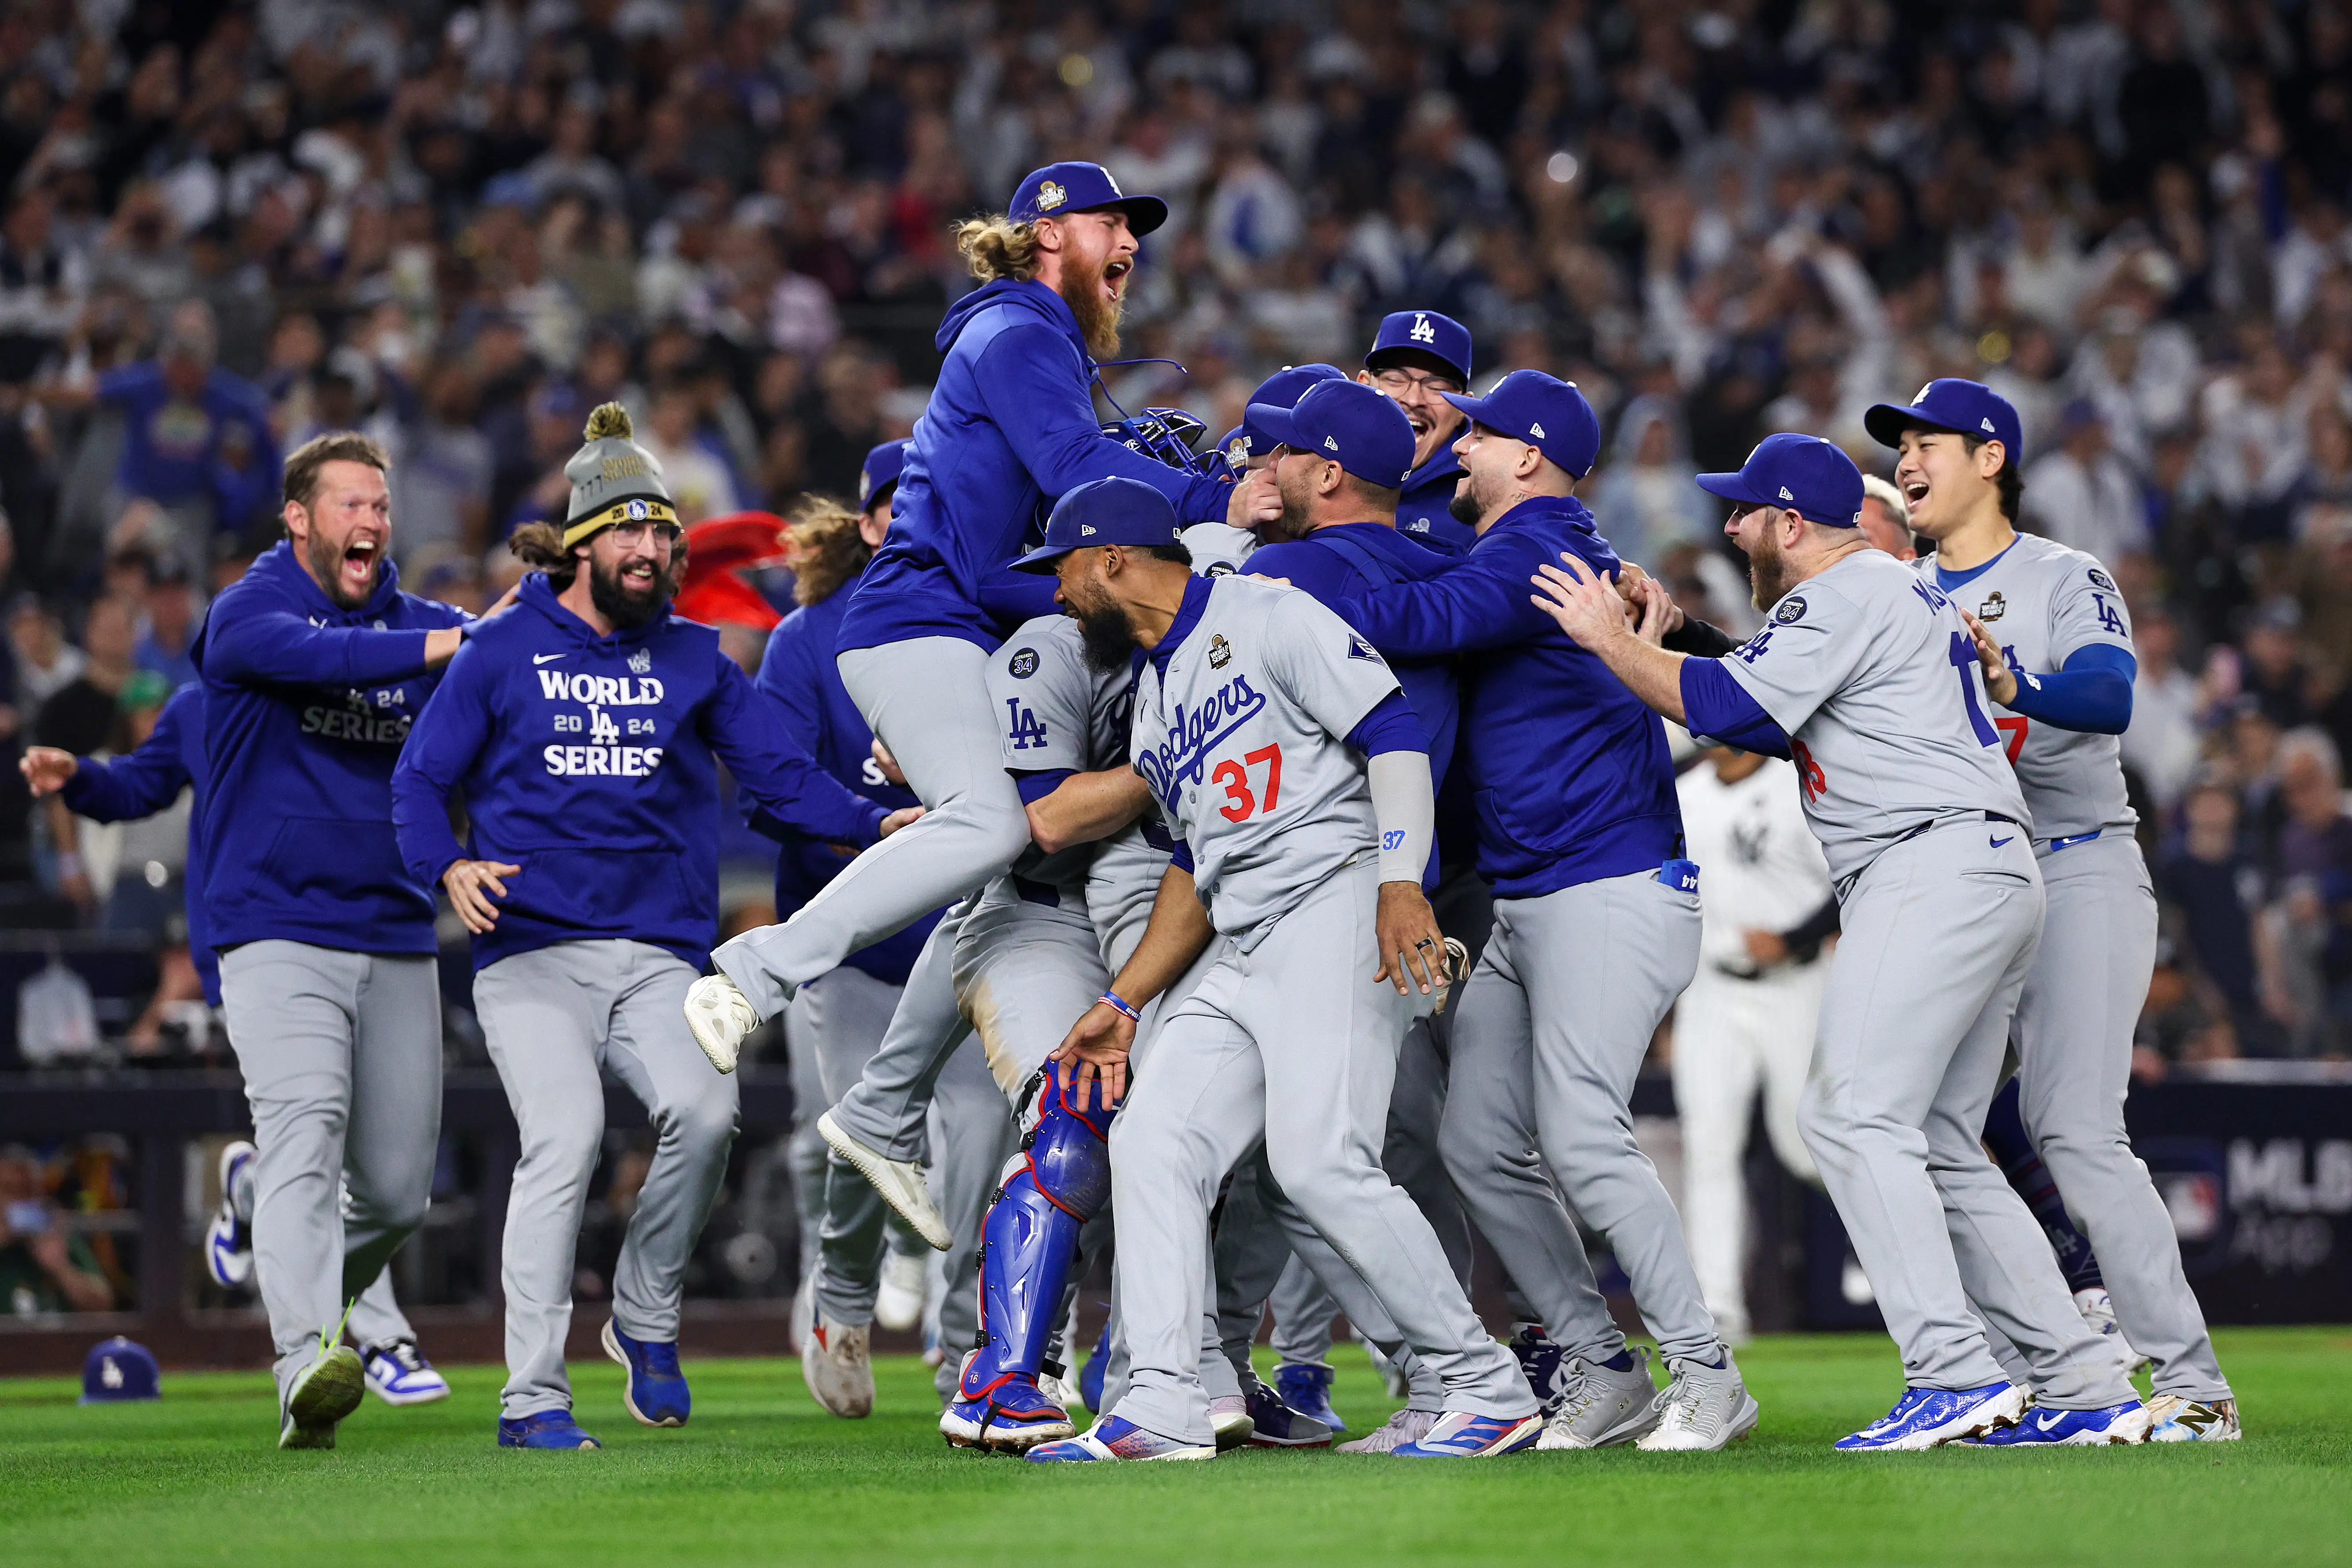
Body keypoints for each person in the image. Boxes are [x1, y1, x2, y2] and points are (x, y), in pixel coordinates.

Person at [1529, 430, 2146, 1450]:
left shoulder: (1841, 591)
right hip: (1984, 862)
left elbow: (1729, 708)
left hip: (1927, 863)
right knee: (1935, 1137)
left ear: (1789, 522)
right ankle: (2082, 1379)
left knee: (1850, 1113)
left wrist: (1610, 639)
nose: (1732, 528)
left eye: (1745, 511)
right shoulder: (1892, 591)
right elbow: (1771, 701)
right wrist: (1676, 633)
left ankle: (1951, 1371)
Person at [391, 405, 911, 1452]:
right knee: (566, 1138)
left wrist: (875, 823)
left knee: (708, 1116)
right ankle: (532, 1395)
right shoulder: (499, 648)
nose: (651, 547)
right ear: (582, 542)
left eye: (663, 531)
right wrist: (446, 865)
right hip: (531, 952)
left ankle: (643, 1311)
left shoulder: (697, 658)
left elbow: (781, 778)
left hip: (657, 957)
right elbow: (418, 780)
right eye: (629, 528)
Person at [687, 163, 1262, 1067]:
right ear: (1047, 234)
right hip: (917, 618)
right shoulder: (1017, 331)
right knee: (992, 825)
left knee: (995, 858)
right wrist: (1211, 503)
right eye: (1109, 223)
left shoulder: (1036, 339)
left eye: (1133, 229)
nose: (1129, 242)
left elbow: (1011, 562)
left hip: (959, 618)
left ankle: (882, 1109)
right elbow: (1074, 468)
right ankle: (752, 975)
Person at [1025, 478, 1540, 1463]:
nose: (1055, 592)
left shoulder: (1268, 612)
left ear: (1113, 558)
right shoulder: (1155, 698)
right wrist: (1123, 1000)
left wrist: (1400, 882)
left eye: (1062, 567)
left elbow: (1392, 731)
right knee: (1153, 1141)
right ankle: (1166, 1400)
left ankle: (1484, 1384)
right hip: (1242, 934)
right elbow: (1193, 866)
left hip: (1335, 902)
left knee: (1318, 1163)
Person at [1335, 370, 1747, 1452]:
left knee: (1581, 1135)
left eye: (1475, 434)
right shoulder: (1535, 548)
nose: (1456, 448)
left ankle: (1708, 1374)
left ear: (1525, 455)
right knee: (1477, 1141)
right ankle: (1601, 1366)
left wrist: (1267, 589)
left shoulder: (1538, 547)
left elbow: (1415, 617)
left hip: (1607, 885)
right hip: (1533, 896)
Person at [1874, 378, 2237, 1442]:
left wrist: (2015, 684)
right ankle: (2033, 1372)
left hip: (2076, 865)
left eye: (1927, 442)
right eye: (1900, 445)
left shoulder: (2060, 573)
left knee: (2073, 1127)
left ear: (1990, 458)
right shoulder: (1899, 591)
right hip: (1961, 882)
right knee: (1920, 1126)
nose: (1904, 461)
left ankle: (2195, 1383)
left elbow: (2109, 695)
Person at [20, 682, 453, 1404]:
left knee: (360, 1163)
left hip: (374, 940)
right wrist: (83, 778)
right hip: (258, 946)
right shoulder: (209, 701)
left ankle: (254, 1195)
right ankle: (376, 1335)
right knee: (317, 1136)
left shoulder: (364, 693)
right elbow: (140, 784)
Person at [1210, 377, 1481, 1433]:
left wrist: (1218, 537)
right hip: (1411, 878)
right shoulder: (1449, 566)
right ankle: (1232, 1362)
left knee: (1310, 1161)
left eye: (1278, 452)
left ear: (1325, 472)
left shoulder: (1283, 571)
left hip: (1306, 886)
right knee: (1335, 1156)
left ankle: (1455, 1377)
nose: (1260, 466)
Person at [194, 431, 473, 1450]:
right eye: (349, 503)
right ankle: (303, 1363)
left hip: (394, 926)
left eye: (380, 506)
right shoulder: (248, 611)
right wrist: (453, 645)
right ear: (299, 518)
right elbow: (318, 659)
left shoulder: (428, 625)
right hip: (275, 921)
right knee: (306, 1125)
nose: (370, 521)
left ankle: (262, 1213)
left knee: (396, 1195)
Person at [756, 442, 995, 1419]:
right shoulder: (809, 638)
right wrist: (871, 819)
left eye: (934, 502)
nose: (914, 518)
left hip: (970, 936)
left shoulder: (990, 619)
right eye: (897, 505)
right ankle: (844, 1304)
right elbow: (774, 785)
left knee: (978, 1143)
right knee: (862, 1138)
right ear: (866, 524)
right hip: (856, 949)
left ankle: (968, 1347)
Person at [1670, 743, 1834, 1345]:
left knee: (1809, 1148)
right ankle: (1717, 1308)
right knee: (1708, 1146)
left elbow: (1849, 880)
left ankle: (1931, 1259)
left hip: (1795, 983)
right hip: (1709, 986)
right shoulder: (1684, 793)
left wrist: (1793, 937)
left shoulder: (1797, 786)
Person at [1359, 310, 1474, 551]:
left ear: (1463, 407)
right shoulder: (1319, 466)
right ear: (1363, 385)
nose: (1413, 400)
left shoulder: (1485, 495)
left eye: (1437, 387)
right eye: (1395, 379)